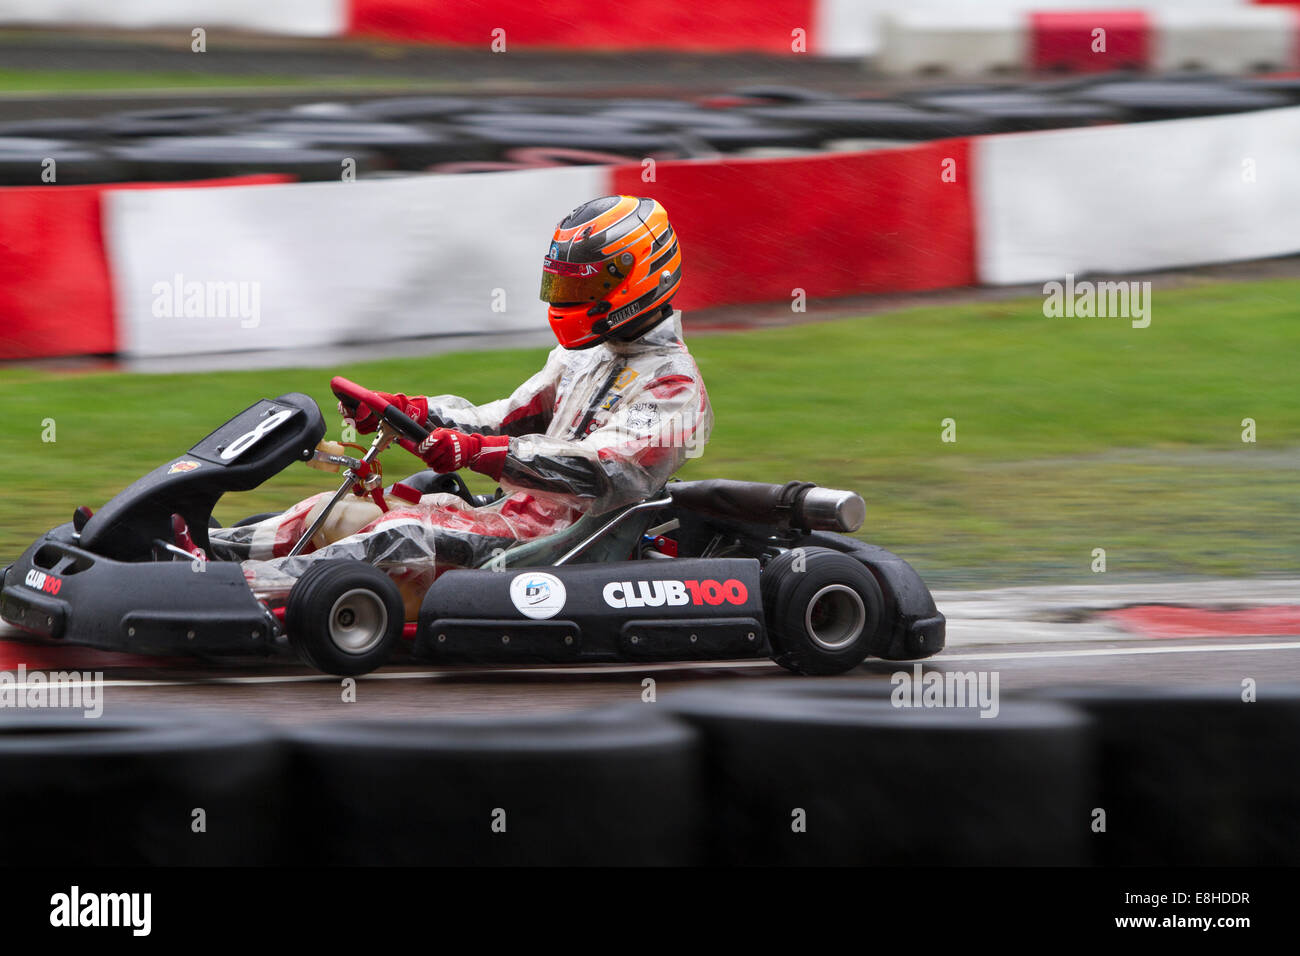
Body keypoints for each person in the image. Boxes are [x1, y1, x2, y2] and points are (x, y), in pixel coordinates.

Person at [208, 195, 713, 612]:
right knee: (337, 511)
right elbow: (507, 419)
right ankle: (204, 558)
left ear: (637, 278)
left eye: (581, 285)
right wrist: (409, 412)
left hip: (566, 545)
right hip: (513, 515)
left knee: (401, 533)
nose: (564, 299)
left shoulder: (673, 385)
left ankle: (231, 597)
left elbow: (604, 472)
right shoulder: (584, 358)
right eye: (563, 284)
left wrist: (477, 452)